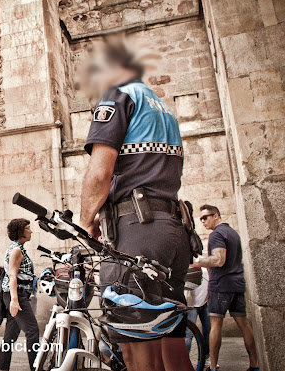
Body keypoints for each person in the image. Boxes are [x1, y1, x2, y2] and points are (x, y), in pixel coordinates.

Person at [78, 40, 192, 371]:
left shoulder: (118, 95)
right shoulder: (161, 107)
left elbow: (100, 172)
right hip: (173, 230)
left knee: (136, 351)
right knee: (172, 347)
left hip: (137, 231)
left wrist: (87, 220)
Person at [195, 205, 259, 371]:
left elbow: (218, 260)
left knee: (215, 325)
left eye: (206, 217)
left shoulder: (217, 234)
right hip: (237, 284)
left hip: (221, 285)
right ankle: (254, 365)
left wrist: (199, 261)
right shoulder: (233, 233)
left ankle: (214, 367)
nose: (203, 221)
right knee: (244, 324)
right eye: (201, 218)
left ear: (216, 215)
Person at [0, 218, 39, 371]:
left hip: (15, 294)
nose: (31, 231)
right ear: (20, 231)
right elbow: (12, 276)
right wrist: (15, 301)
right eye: (28, 228)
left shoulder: (18, 248)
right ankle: (36, 367)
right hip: (17, 294)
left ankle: (2, 367)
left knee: (11, 333)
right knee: (32, 330)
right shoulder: (16, 250)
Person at [184, 265, 210, 357]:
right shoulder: (189, 270)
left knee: (208, 332)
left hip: (205, 304)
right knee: (188, 334)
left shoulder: (207, 272)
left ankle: (206, 358)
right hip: (192, 306)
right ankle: (185, 360)